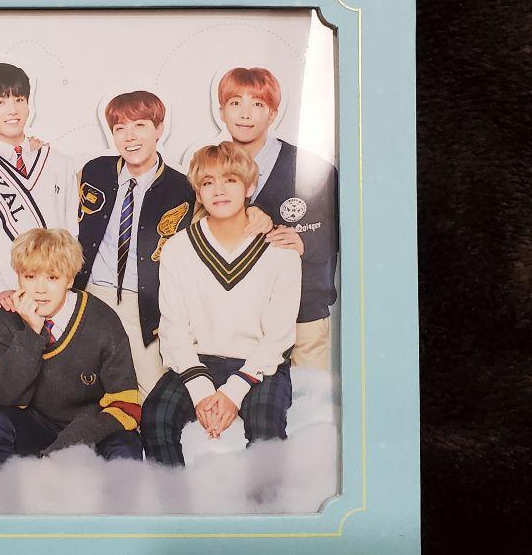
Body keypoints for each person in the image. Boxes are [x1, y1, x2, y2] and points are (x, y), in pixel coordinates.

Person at [141, 142, 301, 465]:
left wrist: (233, 392)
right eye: (208, 182)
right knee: (156, 416)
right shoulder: (177, 249)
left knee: (267, 428)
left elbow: (279, 337)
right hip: (198, 359)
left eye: (230, 180)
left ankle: (264, 500)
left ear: (249, 187)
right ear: (198, 194)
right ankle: (174, 498)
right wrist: (202, 392)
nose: (219, 190)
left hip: (259, 364)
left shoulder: (281, 251)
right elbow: (173, 329)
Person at [0, 63, 79, 403]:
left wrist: (59, 291)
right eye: (0, 102)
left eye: (19, 99)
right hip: (1, 306)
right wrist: (0, 292)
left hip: (56, 305)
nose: (12, 109)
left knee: (58, 405)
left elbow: (72, 236)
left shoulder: (59, 162)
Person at [0, 228, 143, 465]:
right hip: (36, 426)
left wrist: (66, 446)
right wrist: (32, 333)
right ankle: (9, 490)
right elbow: (2, 397)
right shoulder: (6, 316)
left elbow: (125, 404)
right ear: (18, 277)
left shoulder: (102, 320)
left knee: (126, 448)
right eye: (30, 277)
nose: (40, 289)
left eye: (52, 278)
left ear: (69, 280)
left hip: (90, 431)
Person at [76, 91, 200, 398]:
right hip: (92, 294)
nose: (129, 137)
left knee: (150, 392)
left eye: (140, 126)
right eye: (120, 128)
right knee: (87, 387)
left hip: (145, 302)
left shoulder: (182, 188)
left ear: (159, 129)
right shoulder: (94, 171)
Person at [216, 66, 338, 369]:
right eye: (235, 103)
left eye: (257, 104)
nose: (245, 114)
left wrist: (303, 242)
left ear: (273, 114)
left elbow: (341, 232)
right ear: (221, 112)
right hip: (238, 320)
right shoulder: (210, 167)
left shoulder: (312, 169)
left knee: (307, 394)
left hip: (303, 315)